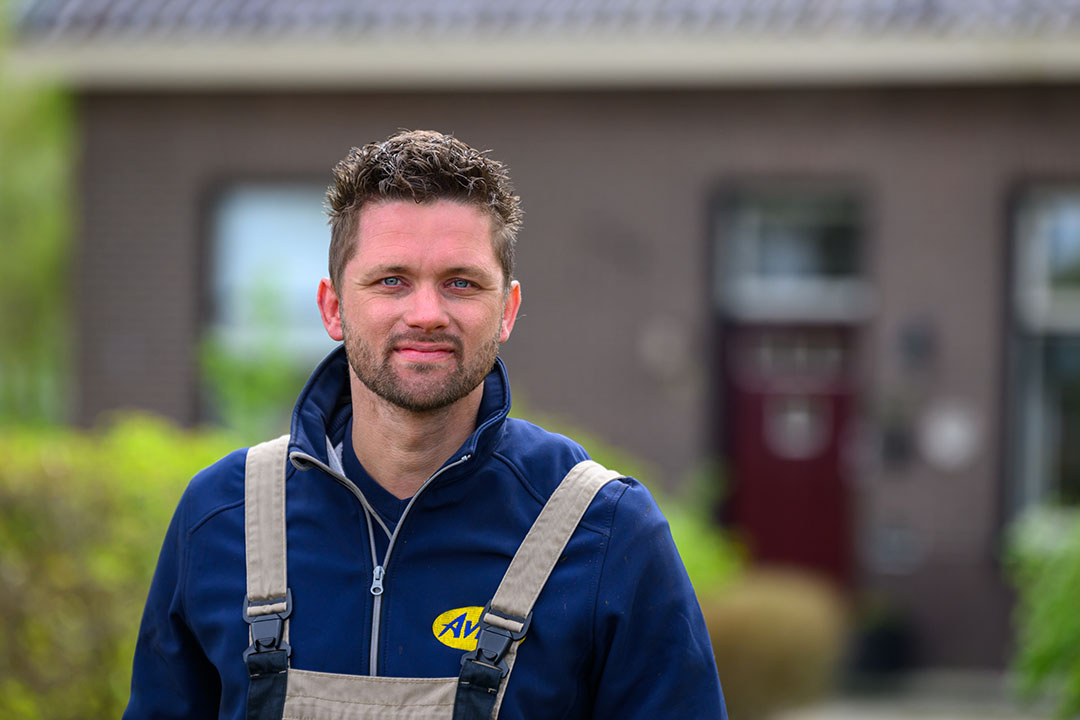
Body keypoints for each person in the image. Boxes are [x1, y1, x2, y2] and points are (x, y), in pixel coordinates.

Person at [124, 130, 727, 719]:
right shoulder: (223, 518)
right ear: (333, 307)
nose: (426, 314)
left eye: (460, 284)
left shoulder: (607, 533)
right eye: (392, 281)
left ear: (507, 310)